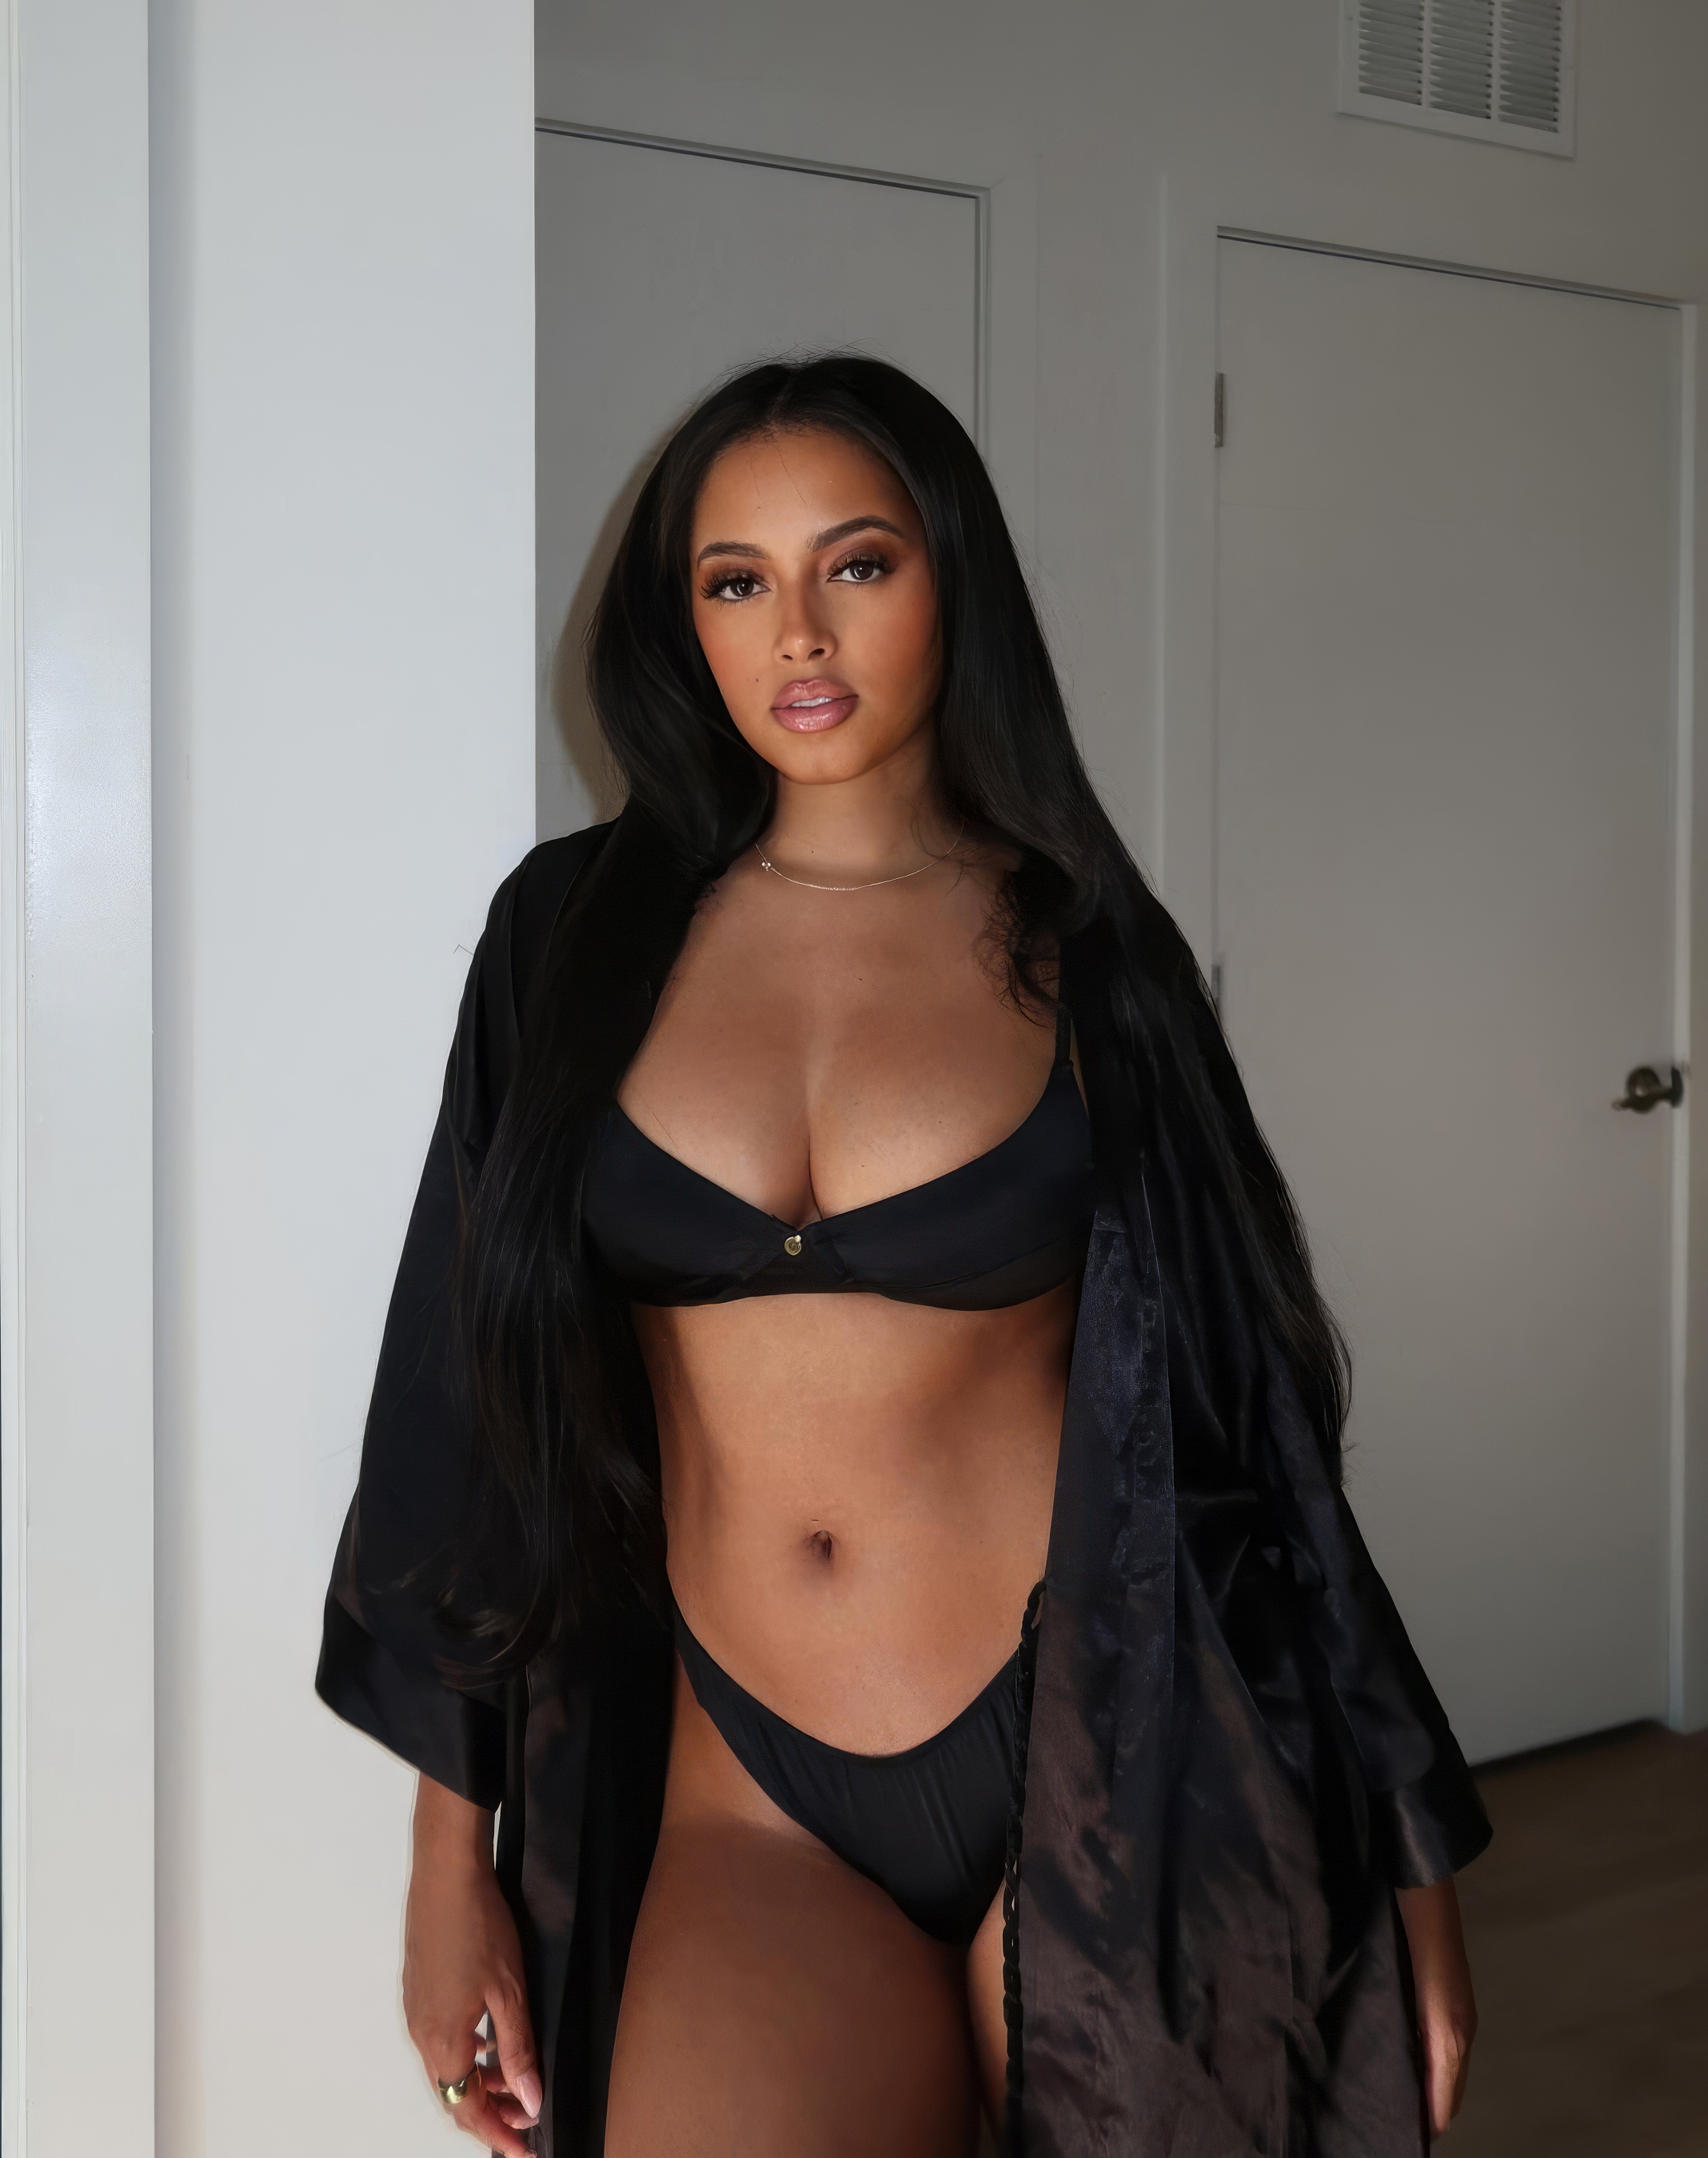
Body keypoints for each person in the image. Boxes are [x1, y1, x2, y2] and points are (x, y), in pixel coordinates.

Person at [317, 354, 1491, 2158]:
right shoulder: (567, 938)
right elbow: (464, 1403)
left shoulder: (1096, 956)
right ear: (683, 621)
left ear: (954, 577)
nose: (798, 628)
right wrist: (440, 1855)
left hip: (1111, 1760)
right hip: (748, 1795)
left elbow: (1261, 1416)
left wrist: (1410, 1857)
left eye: (856, 562)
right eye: (736, 579)